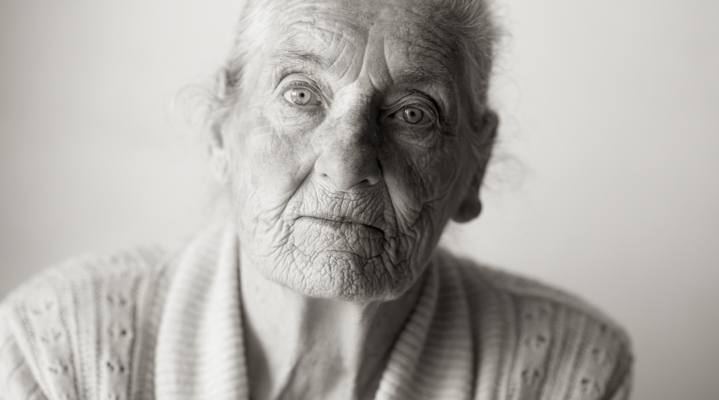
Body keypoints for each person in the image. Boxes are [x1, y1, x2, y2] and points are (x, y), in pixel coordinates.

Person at [0, 0, 633, 398]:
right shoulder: (56, 346)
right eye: (302, 95)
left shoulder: (566, 367)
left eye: (412, 112)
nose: (346, 164)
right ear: (222, 130)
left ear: (475, 168)